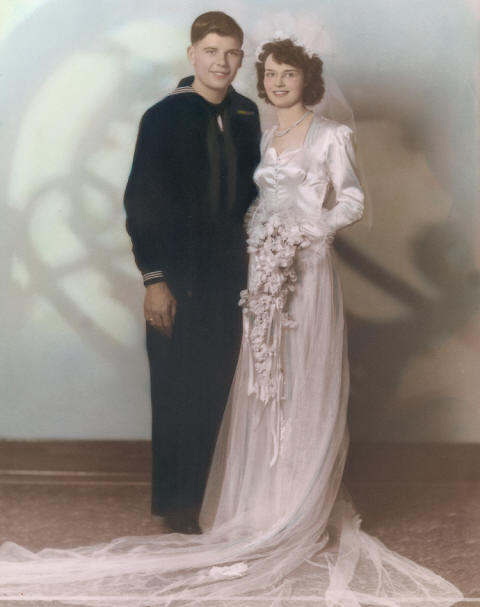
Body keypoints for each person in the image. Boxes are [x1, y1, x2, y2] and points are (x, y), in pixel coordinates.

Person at [0, 35, 462, 607]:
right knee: (262, 382)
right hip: (257, 272)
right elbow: (226, 200)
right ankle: (257, 502)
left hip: (306, 269)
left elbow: (349, 200)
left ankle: (300, 504)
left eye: (287, 73)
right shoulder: (254, 131)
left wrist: (309, 233)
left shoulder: (323, 134)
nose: (277, 83)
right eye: (271, 74)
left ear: (306, 79)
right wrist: (234, 249)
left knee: (301, 378)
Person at [123, 11, 261, 532]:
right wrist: (154, 279)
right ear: (192, 55)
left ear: (241, 58)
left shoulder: (247, 113)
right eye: (210, 51)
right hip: (178, 273)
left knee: (220, 384)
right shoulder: (162, 117)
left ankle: (215, 499)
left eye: (231, 53)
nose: (221, 62)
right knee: (176, 386)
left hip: (232, 273)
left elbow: (256, 194)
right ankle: (178, 507)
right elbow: (141, 202)